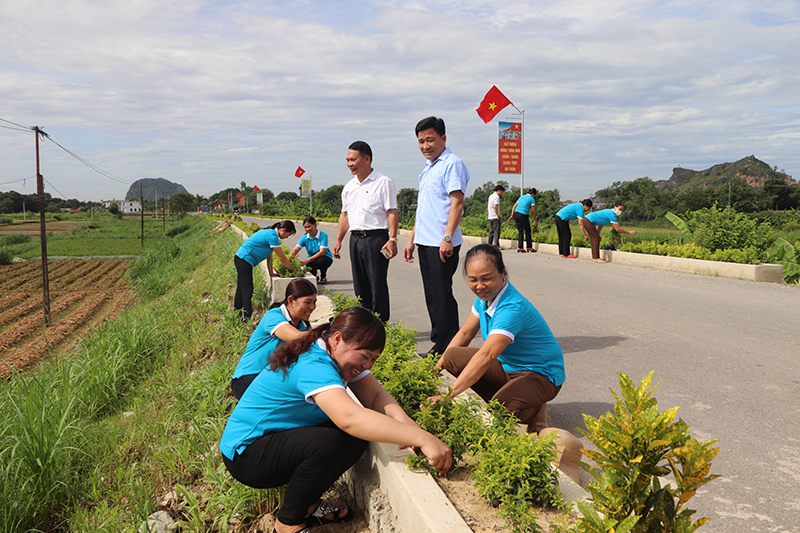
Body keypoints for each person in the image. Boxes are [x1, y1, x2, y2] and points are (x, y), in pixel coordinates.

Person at [220, 307, 452, 533]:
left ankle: (308, 506)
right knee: (332, 442)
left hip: (275, 438)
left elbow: (375, 396)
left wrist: (410, 429)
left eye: (374, 359)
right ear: (338, 338)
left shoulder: (332, 350)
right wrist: (421, 438)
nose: (368, 365)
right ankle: (287, 524)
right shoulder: (313, 363)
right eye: (365, 356)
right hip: (246, 453)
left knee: (356, 438)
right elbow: (350, 419)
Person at [431, 244, 565, 434]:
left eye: (487, 278)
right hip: (508, 368)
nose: (480, 286)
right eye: (473, 280)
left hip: (540, 374)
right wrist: (435, 369)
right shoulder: (484, 299)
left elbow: (486, 356)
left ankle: (537, 408)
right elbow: (466, 334)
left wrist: (447, 395)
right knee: (452, 356)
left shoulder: (511, 308)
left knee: (499, 408)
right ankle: (518, 395)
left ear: (502, 273)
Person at [403, 117, 470, 355]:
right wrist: (411, 239)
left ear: (443, 138)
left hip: (442, 243)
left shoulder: (452, 163)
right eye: (420, 141)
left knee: (442, 295)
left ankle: (449, 349)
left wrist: (448, 238)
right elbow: (424, 209)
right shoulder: (429, 168)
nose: (425, 145)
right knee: (432, 295)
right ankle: (439, 343)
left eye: (429, 139)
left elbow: (457, 202)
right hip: (425, 241)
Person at [333, 141, 399, 322]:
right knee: (360, 285)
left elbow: (392, 212)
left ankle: (380, 326)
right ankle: (364, 325)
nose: (349, 164)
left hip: (376, 239)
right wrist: (339, 239)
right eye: (347, 160)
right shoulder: (349, 187)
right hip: (355, 240)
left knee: (377, 284)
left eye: (353, 160)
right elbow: (344, 215)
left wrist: (393, 239)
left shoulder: (383, 182)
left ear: (367, 159)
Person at [230, 278, 317, 400]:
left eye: (314, 302)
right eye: (308, 302)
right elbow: (296, 337)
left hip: (273, 380)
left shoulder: (303, 327)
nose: (312, 307)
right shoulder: (274, 316)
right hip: (248, 378)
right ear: (291, 300)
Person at [234, 220, 296, 320]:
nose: (287, 237)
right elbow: (282, 259)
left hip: (241, 258)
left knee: (241, 289)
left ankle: (237, 314)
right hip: (244, 259)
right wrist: (293, 270)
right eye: (289, 234)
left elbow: (269, 256)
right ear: (283, 230)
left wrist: (271, 273)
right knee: (247, 290)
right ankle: (247, 318)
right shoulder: (272, 236)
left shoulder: (269, 231)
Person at [290, 216, 334, 284]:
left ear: (315, 225)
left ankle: (323, 276)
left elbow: (322, 252)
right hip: (312, 259)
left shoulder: (323, 236)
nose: (307, 229)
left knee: (322, 261)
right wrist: (293, 253)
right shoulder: (304, 237)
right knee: (310, 264)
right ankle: (314, 277)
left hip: (325, 257)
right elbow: (297, 248)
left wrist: (306, 261)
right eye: (305, 227)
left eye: (309, 226)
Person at [508, 187, 538, 253]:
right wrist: (535, 220)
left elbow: (514, 206)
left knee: (520, 231)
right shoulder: (532, 199)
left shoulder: (521, 197)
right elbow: (533, 211)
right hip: (523, 214)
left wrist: (512, 215)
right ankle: (529, 247)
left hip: (516, 213)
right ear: (533, 194)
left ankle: (520, 247)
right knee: (528, 230)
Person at [487, 184, 505, 249]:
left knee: (491, 231)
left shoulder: (491, 196)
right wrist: (497, 215)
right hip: (495, 216)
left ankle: (489, 244)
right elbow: (495, 206)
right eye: (502, 192)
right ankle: (497, 245)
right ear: (499, 191)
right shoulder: (496, 197)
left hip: (490, 216)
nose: (502, 194)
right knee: (496, 231)